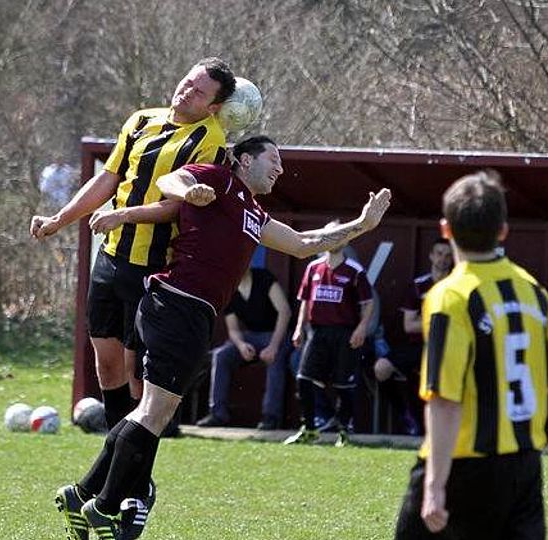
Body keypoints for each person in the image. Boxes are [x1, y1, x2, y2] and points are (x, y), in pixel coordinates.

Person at [60, 135, 390, 539]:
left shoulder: (253, 212)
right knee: (154, 413)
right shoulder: (216, 178)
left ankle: (82, 494)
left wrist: (363, 225)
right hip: (175, 304)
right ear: (245, 159)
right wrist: (190, 191)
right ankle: (104, 508)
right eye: (273, 159)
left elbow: (305, 245)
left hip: (192, 314)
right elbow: (170, 182)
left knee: (150, 411)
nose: (281, 169)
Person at [37, 57, 236, 540]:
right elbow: (108, 179)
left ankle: (126, 488)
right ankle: (124, 481)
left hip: (153, 269)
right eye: (186, 81)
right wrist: (59, 220)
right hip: (111, 258)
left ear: (215, 105)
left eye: (198, 91)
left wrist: (124, 217)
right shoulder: (140, 119)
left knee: (134, 380)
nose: (185, 91)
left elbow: (174, 206)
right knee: (105, 367)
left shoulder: (209, 140)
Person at [394, 170, 548, 539]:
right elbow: (543, 383)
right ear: (503, 230)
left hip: (465, 464)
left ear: (446, 230)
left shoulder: (449, 296)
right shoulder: (535, 293)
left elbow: (444, 398)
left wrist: (435, 485)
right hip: (524, 465)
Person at [284, 225, 374, 448]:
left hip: (345, 333)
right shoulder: (313, 268)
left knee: (344, 385)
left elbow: (368, 303)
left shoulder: (354, 270)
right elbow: (305, 301)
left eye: (339, 235)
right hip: (318, 332)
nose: (334, 240)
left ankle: (344, 431)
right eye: (330, 236)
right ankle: (310, 429)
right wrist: (298, 328)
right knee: (304, 379)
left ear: (346, 240)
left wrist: (361, 328)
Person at [195, 265, 292, 430]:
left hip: (276, 334)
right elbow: (233, 330)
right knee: (221, 355)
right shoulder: (230, 289)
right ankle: (218, 414)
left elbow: (285, 312)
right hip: (251, 336)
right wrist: (241, 346)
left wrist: (273, 346)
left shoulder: (264, 278)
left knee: (275, 358)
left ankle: (271, 416)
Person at [375, 237, 454, 435]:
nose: (442, 259)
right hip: (419, 346)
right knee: (381, 368)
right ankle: (404, 414)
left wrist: (425, 321)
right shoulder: (419, 286)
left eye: (447, 255)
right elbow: (409, 326)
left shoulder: (457, 285)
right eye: (439, 254)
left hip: (449, 347)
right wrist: (441, 322)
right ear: (431, 256)